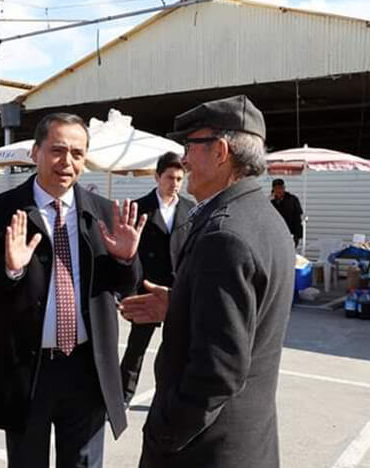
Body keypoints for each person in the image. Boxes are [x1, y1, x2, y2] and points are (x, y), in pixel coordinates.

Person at [0, 112, 147, 468]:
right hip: (28, 370)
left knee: (84, 463)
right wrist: (10, 269)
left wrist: (126, 259)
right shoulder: (1, 211)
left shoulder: (102, 212)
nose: (68, 162)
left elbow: (125, 286)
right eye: (58, 150)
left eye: (77, 153)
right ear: (35, 152)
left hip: (87, 369)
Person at [120, 95, 294, 468]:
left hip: (204, 450)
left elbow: (218, 372)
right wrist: (180, 304)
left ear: (220, 151)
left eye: (190, 147)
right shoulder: (262, 216)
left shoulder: (224, 234)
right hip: (247, 440)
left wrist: (163, 432)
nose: (183, 160)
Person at [119, 151, 194, 406]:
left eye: (180, 179)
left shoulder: (190, 210)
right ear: (157, 177)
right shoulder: (139, 209)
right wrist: (130, 291)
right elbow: (129, 255)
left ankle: (170, 397)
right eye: (170, 177)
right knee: (136, 349)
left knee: (178, 350)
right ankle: (122, 397)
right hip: (147, 290)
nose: (175, 183)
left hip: (177, 291)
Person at [271, 178, 303, 247]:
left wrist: (297, 234)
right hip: (276, 234)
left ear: (284, 188)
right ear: (273, 189)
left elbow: (298, 216)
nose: (279, 190)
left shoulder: (292, 199)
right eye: (276, 188)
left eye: (281, 188)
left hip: (291, 232)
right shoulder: (270, 201)